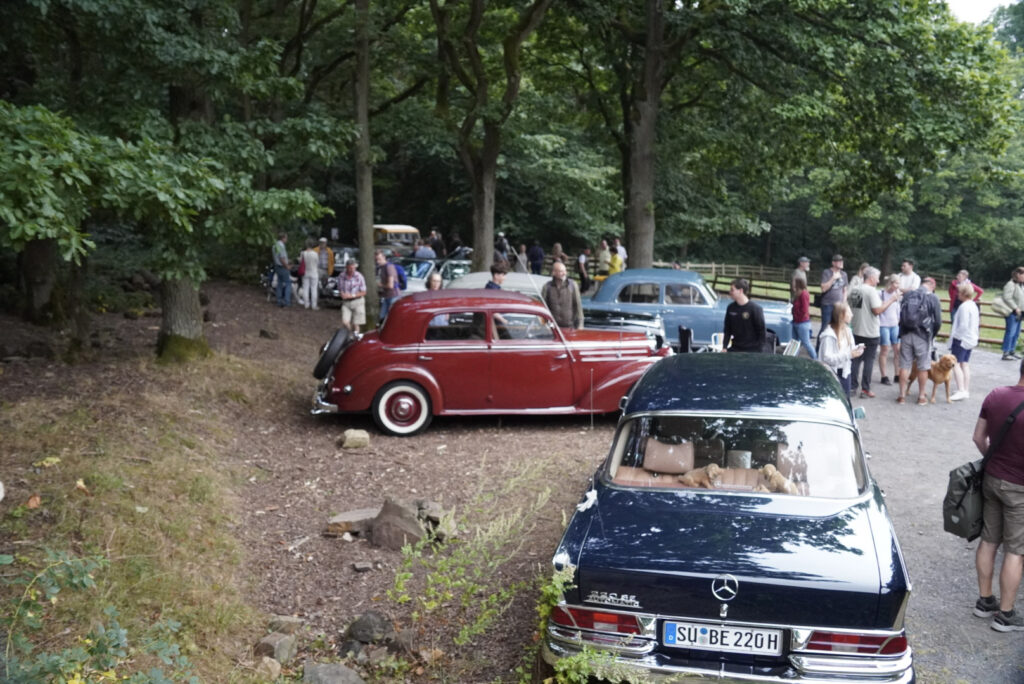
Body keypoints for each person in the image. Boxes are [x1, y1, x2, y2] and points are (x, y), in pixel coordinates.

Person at [971, 360, 1024, 631]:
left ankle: (985, 601)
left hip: (992, 480)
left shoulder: (996, 395)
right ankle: (1005, 615)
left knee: (989, 540)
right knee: (1015, 551)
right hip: (1020, 489)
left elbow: (978, 438)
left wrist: (994, 463)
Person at [848, 267, 900, 399]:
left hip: (856, 329)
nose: (878, 280)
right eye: (877, 277)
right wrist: (892, 300)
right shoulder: (871, 291)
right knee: (869, 361)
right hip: (870, 331)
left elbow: (854, 308)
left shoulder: (855, 289)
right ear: (871, 277)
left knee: (855, 360)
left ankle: (852, 386)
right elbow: (877, 310)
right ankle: (865, 389)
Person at [896, 276, 943, 405]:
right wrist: (932, 335)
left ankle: (901, 396)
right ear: (932, 285)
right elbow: (938, 321)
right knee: (923, 367)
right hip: (923, 335)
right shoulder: (932, 297)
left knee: (904, 365)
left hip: (906, 333)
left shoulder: (908, 295)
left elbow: (901, 313)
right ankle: (921, 397)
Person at [819, 302, 864, 397]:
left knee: (846, 400)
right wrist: (849, 355)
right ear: (841, 315)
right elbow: (827, 358)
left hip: (845, 373)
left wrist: (857, 349)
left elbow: (849, 350)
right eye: (849, 312)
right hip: (832, 374)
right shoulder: (828, 336)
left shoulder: (847, 330)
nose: (852, 314)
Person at [950, 282, 980, 401]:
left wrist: (955, 336)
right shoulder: (973, 305)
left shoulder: (964, 307)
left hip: (962, 339)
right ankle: (965, 389)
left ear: (963, 293)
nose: (957, 295)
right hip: (971, 338)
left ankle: (961, 389)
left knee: (955, 364)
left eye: (959, 292)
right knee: (965, 363)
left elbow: (962, 325)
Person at [721, 278, 765, 353]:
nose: (730, 292)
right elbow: (727, 329)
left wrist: (759, 350)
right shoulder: (731, 308)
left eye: (732, 290)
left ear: (740, 291)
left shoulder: (755, 309)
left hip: (752, 350)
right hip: (735, 348)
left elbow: (762, 332)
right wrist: (724, 347)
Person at [542, 261, 583, 329]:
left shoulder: (572, 285)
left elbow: (578, 306)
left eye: (565, 271)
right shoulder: (547, 287)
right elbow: (543, 307)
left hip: (569, 326)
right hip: (553, 327)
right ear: (554, 272)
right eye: (561, 271)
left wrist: (580, 325)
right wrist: (544, 325)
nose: (564, 273)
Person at [818, 254, 848, 345]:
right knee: (825, 327)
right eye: (839, 261)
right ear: (833, 263)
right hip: (827, 304)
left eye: (842, 261)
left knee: (838, 327)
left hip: (839, 305)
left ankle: (833, 347)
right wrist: (833, 278)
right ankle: (819, 349)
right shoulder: (827, 272)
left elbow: (845, 290)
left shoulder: (844, 274)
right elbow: (823, 288)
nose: (841, 263)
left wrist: (844, 302)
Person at [877, 275, 902, 386]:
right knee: (885, 350)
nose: (897, 286)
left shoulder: (897, 295)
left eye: (898, 284)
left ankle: (897, 375)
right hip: (883, 325)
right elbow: (880, 308)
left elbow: (898, 310)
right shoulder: (881, 294)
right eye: (895, 283)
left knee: (897, 350)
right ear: (890, 283)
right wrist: (892, 300)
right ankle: (884, 376)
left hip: (894, 325)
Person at [1000, 267, 1024, 361]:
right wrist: (1015, 307)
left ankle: (1012, 350)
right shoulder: (1011, 284)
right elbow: (1007, 297)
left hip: (1020, 313)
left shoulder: (1021, 285)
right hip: (1012, 312)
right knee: (1010, 332)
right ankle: (1006, 352)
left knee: (1016, 332)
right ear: (1018, 274)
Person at [791, 278, 817, 359]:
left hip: (802, 323)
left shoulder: (804, 294)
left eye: (794, 283)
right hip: (796, 322)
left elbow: (804, 310)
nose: (793, 285)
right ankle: (793, 358)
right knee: (794, 343)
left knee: (806, 343)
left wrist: (798, 316)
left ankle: (816, 359)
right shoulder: (797, 294)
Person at [338, 260, 367, 333]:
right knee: (345, 322)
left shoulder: (359, 276)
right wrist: (342, 294)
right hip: (346, 303)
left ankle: (356, 336)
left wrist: (352, 296)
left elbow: (363, 292)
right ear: (346, 268)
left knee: (356, 323)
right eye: (350, 268)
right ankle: (350, 333)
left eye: (353, 268)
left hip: (357, 302)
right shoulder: (342, 276)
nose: (352, 270)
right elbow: (340, 288)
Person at [375, 250, 399, 322]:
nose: (378, 261)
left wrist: (380, 285)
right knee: (382, 317)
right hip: (386, 296)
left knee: (391, 318)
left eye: (379, 259)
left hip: (394, 295)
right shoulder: (380, 268)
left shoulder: (389, 267)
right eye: (376, 260)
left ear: (384, 257)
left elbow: (390, 285)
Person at [271, 232, 291, 307]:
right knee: (288, 283)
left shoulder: (274, 245)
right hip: (282, 267)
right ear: (283, 238)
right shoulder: (281, 246)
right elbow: (282, 258)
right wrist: (287, 266)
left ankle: (279, 300)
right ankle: (287, 302)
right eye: (286, 238)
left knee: (279, 283)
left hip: (277, 266)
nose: (287, 239)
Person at [300, 238, 320, 310]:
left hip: (305, 272)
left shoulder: (303, 253)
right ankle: (314, 305)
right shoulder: (315, 254)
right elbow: (317, 263)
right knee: (314, 289)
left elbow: (301, 262)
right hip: (314, 272)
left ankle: (306, 304)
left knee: (305, 288)